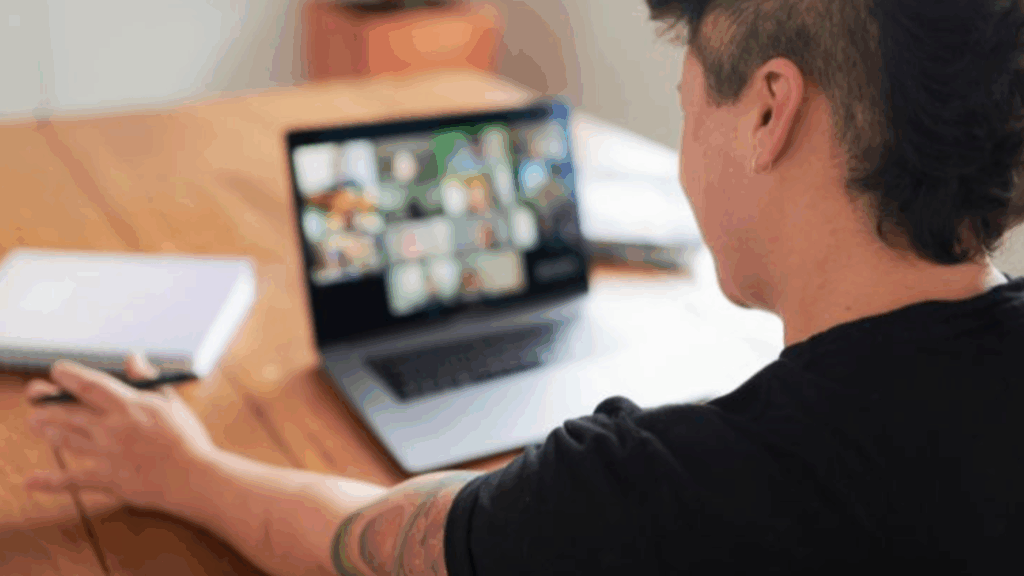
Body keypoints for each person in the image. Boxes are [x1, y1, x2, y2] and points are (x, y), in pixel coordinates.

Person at [21, 0, 1024, 573]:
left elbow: (359, 544)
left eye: (687, 106)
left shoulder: (648, 496)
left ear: (768, 113)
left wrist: (186, 470)